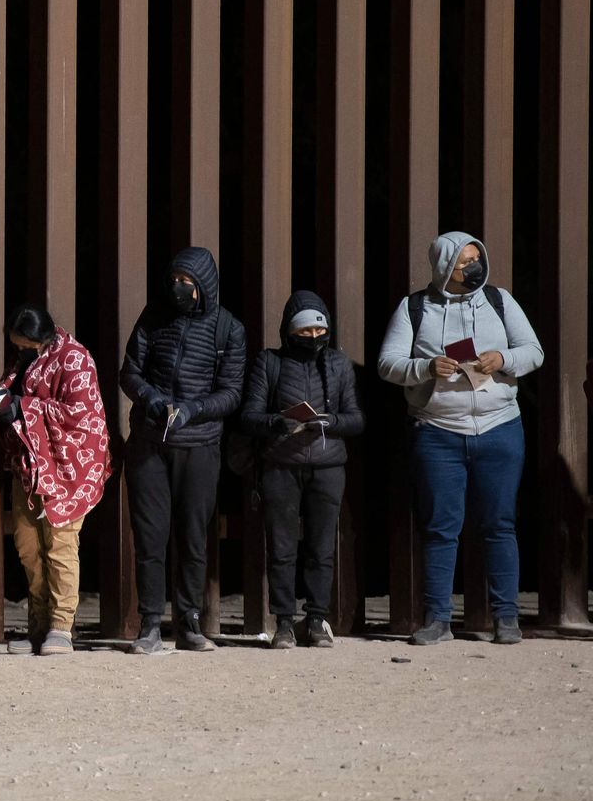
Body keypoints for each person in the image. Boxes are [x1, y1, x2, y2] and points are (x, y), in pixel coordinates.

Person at [378, 232, 544, 646]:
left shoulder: (499, 301)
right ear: (442, 267)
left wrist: (503, 359)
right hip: (438, 434)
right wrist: (425, 367)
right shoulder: (415, 307)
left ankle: (506, 617)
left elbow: (534, 351)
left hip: (500, 428)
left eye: (476, 259)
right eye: (463, 262)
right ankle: (437, 619)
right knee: (440, 528)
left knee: (499, 525)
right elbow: (387, 363)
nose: (474, 268)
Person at [119, 246, 246, 654]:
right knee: (150, 536)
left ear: (203, 286)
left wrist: (194, 410)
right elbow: (130, 372)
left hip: (199, 446)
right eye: (173, 280)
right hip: (150, 444)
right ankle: (150, 624)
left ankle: (189, 622)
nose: (177, 288)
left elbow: (231, 393)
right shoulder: (152, 317)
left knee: (194, 537)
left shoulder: (229, 329)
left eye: (186, 283)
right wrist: (152, 400)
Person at [239, 292, 365, 650]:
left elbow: (357, 419)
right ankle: (282, 622)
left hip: (328, 466)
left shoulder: (339, 364)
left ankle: (315, 619)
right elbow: (248, 415)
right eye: (304, 330)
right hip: (281, 465)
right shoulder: (270, 362)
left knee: (321, 548)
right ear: (289, 331)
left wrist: (331, 420)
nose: (312, 337)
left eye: (317, 329)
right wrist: (277, 422)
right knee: (281, 548)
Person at [0, 305, 109, 657]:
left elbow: (80, 414)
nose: (19, 351)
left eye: (23, 345)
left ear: (40, 339)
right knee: (28, 546)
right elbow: (13, 390)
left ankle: (61, 625)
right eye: (15, 346)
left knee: (60, 546)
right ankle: (38, 623)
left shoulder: (76, 360)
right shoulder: (24, 359)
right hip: (30, 467)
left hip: (68, 465)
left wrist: (24, 408)